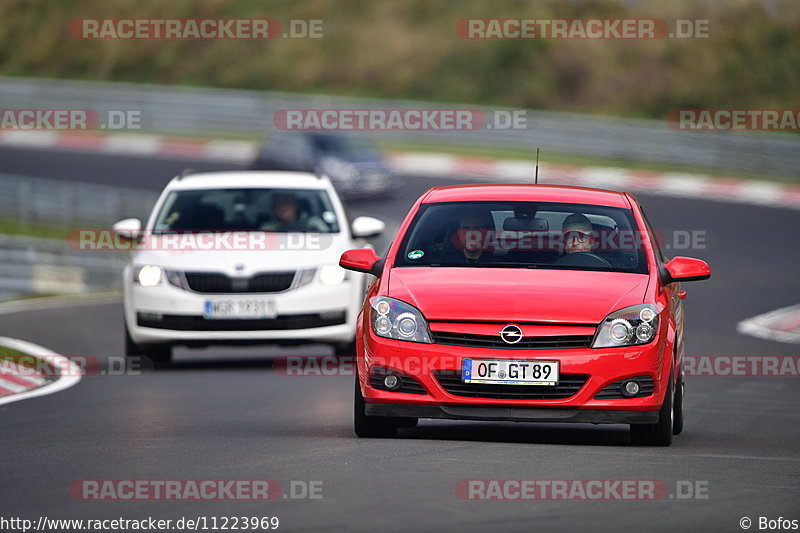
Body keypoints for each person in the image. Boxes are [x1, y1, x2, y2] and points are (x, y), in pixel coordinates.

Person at [261, 193, 327, 232]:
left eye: (287, 202)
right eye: (278, 203)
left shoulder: (314, 223)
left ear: (296, 205)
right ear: (273, 207)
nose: (283, 206)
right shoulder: (267, 228)